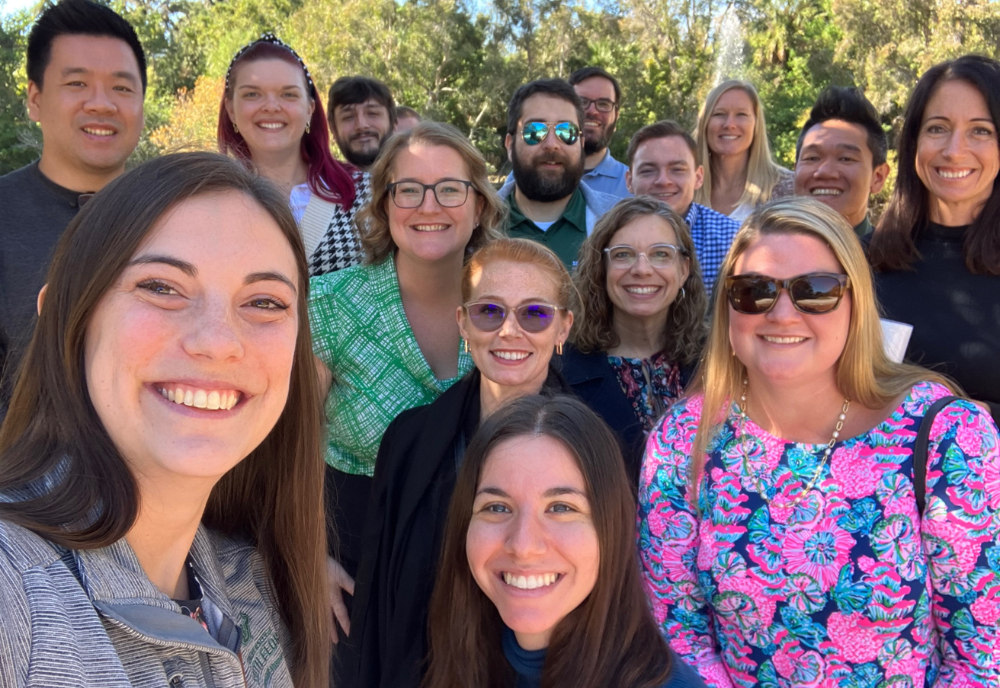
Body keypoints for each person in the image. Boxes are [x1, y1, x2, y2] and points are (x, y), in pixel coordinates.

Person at [639, 197, 1000, 687]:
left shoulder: (946, 436)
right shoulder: (684, 440)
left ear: (856, 303)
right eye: (754, 291)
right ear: (727, 306)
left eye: (816, 290)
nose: (783, 313)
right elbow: (678, 633)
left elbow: (981, 657)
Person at [0, 152, 330, 686]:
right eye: (161, 287)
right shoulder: (12, 586)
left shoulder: (253, 586)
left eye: (265, 302)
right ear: (65, 317)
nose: (218, 342)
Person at [347, 238, 576, 688]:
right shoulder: (410, 440)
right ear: (463, 323)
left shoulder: (593, 448)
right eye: (489, 312)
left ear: (563, 328)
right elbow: (378, 602)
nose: (509, 331)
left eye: (535, 314)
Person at [309, 121, 506, 579]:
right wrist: (310, 558)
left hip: (481, 572)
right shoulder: (330, 305)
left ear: (479, 206)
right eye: (409, 190)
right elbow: (286, 451)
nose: (429, 206)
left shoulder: (506, 309)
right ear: (384, 206)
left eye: (450, 190)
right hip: (356, 572)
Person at [422, 395, 706, 688]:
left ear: (609, 529)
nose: (523, 546)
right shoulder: (459, 656)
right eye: (496, 507)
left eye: (561, 507)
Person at [0, 0, 145, 419]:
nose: (101, 104)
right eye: (77, 83)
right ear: (34, 99)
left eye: (121, 87)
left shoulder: (179, 213)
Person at [869, 55, 1000, 425]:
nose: (954, 150)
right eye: (938, 128)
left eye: (981, 130)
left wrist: (969, 418)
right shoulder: (861, 264)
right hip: (876, 478)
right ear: (913, 143)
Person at [563, 197, 707, 486]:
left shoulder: (717, 361)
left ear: (684, 269)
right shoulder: (561, 371)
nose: (642, 269)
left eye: (661, 254)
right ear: (601, 268)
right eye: (623, 255)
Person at [219, 33, 369, 277]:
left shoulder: (364, 192)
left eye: (288, 94)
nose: (271, 106)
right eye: (252, 94)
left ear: (310, 109)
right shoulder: (211, 202)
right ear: (231, 110)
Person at [500, 78, 619, 270]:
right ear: (509, 146)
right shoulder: (474, 227)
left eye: (566, 131)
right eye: (535, 131)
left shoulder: (620, 224)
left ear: (580, 144)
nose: (552, 144)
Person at [626, 120, 740, 293]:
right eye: (648, 170)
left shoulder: (732, 240)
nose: (663, 181)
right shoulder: (609, 237)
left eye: (677, 170)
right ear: (629, 181)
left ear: (698, 177)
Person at [794, 86, 891, 237]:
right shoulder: (765, 254)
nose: (825, 172)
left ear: (878, 177)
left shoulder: (894, 259)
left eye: (845, 158)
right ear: (795, 170)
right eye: (812, 158)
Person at [693, 80, 793, 221]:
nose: (729, 124)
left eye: (741, 114)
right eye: (719, 114)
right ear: (705, 123)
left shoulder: (788, 188)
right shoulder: (685, 187)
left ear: (756, 124)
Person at [327, 75, 396, 172]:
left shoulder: (419, 177)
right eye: (348, 117)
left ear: (393, 122)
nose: (361, 125)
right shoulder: (320, 185)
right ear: (333, 128)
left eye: (372, 113)